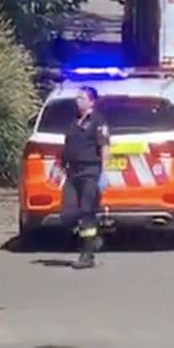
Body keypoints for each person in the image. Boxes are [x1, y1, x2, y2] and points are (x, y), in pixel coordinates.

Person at [60, 86, 109, 269]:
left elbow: (104, 146)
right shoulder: (73, 121)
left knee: (87, 212)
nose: (77, 101)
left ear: (91, 101)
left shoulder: (98, 122)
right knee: (68, 213)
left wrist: (103, 172)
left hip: (90, 172)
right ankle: (93, 238)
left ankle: (87, 256)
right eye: (77, 98)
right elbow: (67, 145)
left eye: (81, 98)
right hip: (72, 172)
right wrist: (60, 166)